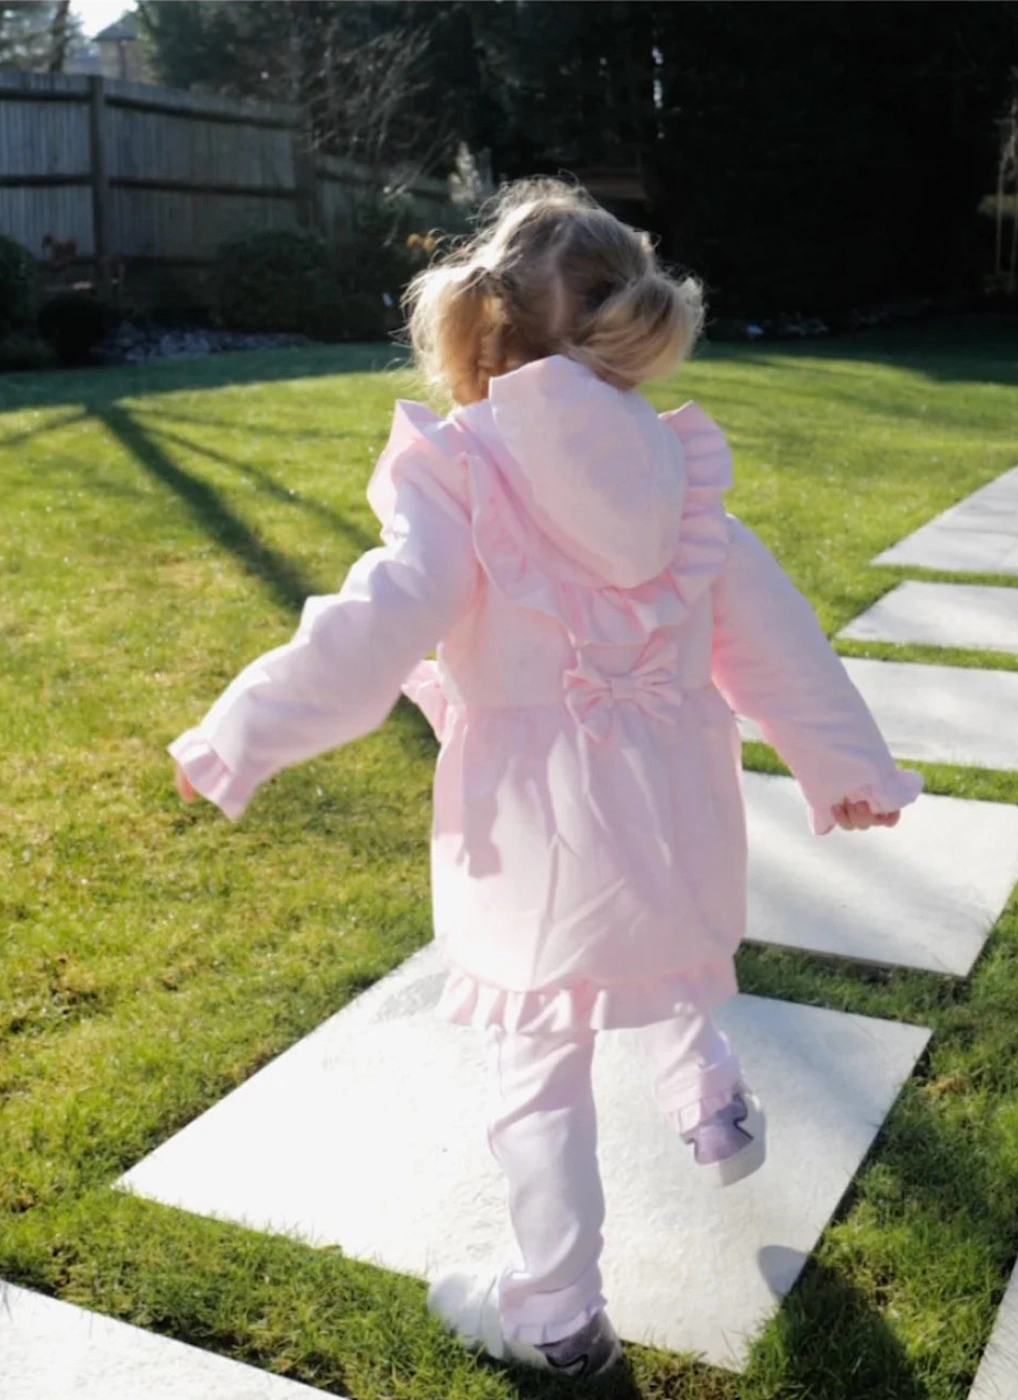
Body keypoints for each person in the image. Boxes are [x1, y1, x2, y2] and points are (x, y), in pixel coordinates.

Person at [169, 178, 923, 1381]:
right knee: (665, 936)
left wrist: (251, 724)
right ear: (629, 319)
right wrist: (849, 762)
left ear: (483, 324)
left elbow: (382, 616)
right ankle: (713, 1103)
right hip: (673, 796)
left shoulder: (462, 463)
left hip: (535, 827)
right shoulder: (679, 470)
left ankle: (556, 1309)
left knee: (538, 1063)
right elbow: (773, 634)